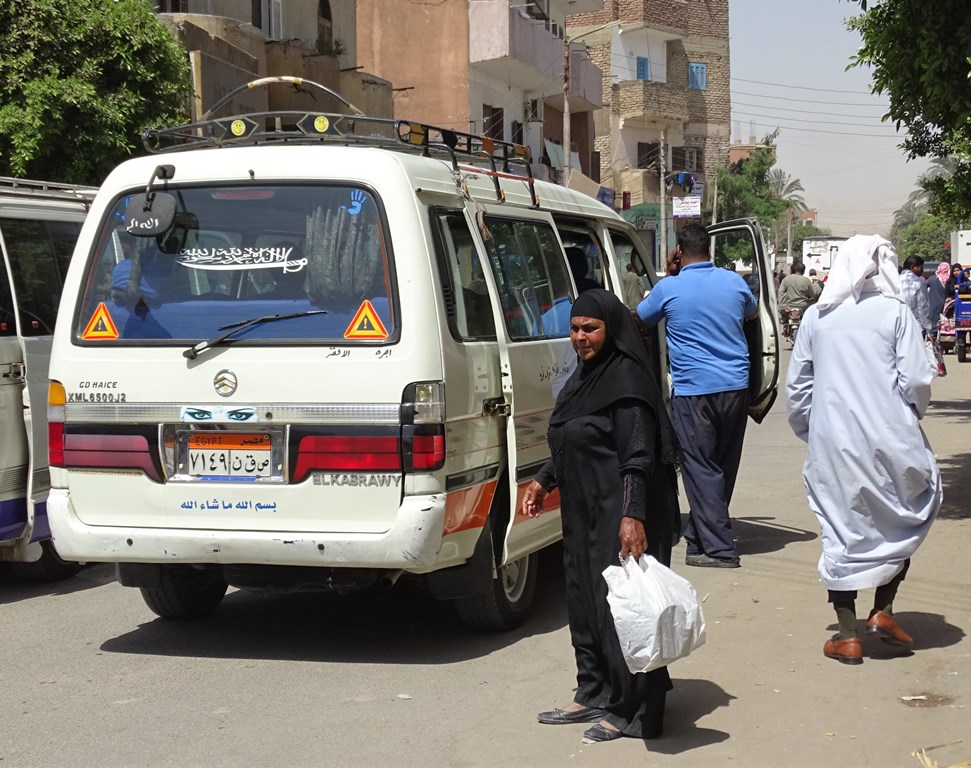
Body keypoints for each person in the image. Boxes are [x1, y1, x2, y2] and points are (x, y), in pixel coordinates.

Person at [524, 289, 680, 743]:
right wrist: (543, 479)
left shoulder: (627, 381)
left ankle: (631, 707)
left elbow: (637, 455)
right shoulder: (585, 378)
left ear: (611, 329)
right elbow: (573, 436)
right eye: (574, 329)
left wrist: (632, 516)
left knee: (622, 609)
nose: (580, 337)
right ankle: (593, 688)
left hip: (618, 512)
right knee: (585, 601)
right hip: (583, 512)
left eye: (590, 328)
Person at [785, 234, 942, 665]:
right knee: (905, 515)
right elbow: (917, 381)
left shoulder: (818, 316)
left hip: (833, 440)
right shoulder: (896, 314)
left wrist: (811, 431)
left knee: (841, 527)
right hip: (891, 436)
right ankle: (884, 608)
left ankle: (848, 633)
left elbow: (798, 387)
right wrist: (908, 418)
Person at [636, 222, 757, 568]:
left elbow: (642, 320)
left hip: (694, 392)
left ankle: (720, 549)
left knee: (699, 467)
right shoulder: (734, 282)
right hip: (735, 388)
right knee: (722, 465)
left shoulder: (669, 288)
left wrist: (669, 276)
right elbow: (751, 313)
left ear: (678, 251)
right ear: (710, 251)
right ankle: (700, 539)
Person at [898, 255, 932, 335]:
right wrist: (928, 330)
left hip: (897, 326)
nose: (922, 271)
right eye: (921, 267)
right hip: (915, 327)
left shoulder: (895, 280)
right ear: (913, 267)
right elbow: (923, 308)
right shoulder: (919, 281)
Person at [927, 261, 951, 332]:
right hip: (948, 305)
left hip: (934, 304)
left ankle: (933, 335)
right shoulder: (950, 280)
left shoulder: (932, 279)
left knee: (934, 321)